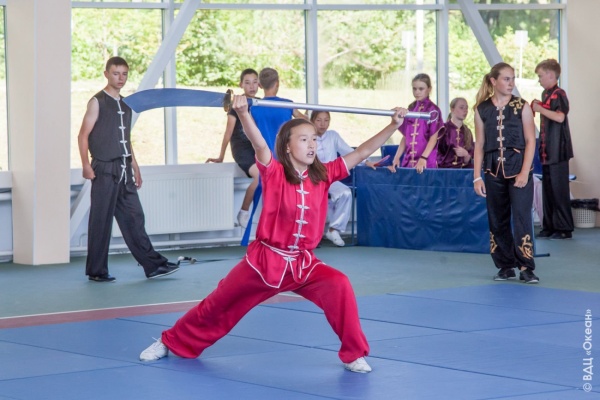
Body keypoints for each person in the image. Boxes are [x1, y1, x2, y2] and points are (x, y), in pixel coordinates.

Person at [140, 94, 408, 373]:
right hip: (264, 262)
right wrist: (243, 113)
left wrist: (393, 125)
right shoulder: (274, 171)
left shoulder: (323, 174)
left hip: (303, 264)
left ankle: (353, 354)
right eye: (304, 139)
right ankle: (169, 341)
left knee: (339, 284)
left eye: (314, 139)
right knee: (218, 304)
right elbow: (258, 144)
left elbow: (362, 152)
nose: (312, 144)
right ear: (288, 147)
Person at [77, 56, 179, 282]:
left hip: (124, 169)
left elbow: (125, 138)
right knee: (101, 221)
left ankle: (153, 266)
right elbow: (83, 135)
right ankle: (96, 271)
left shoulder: (126, 104)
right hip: (104, 169)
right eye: (116, 73)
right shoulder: (97, 102)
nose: (120, 78)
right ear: (106, 74)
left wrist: (136, 167)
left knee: (135, 217)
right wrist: (85, 164)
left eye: (124, 74)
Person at [473, 62, 539, 284]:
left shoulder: (522, 106)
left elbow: (530, 141)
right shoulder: (481, 109)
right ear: (494, 81)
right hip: (493, 171)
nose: (511, 83)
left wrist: (525, 172)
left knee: (521, 217)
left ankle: (526, 266)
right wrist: (477, 176)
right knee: (497, 218)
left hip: (519, 169)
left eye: (513, 79)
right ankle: (505, 265)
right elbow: (479, 145)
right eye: (506, 79)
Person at [207, 68, 261, 229]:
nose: (252, 86)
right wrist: (221, 156)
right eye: (247, 83)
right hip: (242, 148)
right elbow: (228, 132)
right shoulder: (236, 105)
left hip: (257, 146)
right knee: (260, 177)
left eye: (255, 82)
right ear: (241, 85)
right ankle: (243, 211)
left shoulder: (261, 103)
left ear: (259, 84)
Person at [531, 59, 574, 240]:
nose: (539, 80)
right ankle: (549, 226)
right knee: (547, 191)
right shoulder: (545, 94)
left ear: (550, 75)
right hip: (546, 150)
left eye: (541, 76)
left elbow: (559, 117)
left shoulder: (559, 94)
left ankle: (564, 228)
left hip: (558, 150)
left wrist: (539, 109)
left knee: (559, 190)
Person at [311, 111, 354, 247]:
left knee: (346, 193)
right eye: (319, 120)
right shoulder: (307, 137)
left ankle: (333, 230)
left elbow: (349, 152)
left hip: (331, 178)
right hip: (312, 178)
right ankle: (311, 234)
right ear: (312, 121)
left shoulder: (333, 136)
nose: (323, 124)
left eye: (326, 120)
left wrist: (367, 161)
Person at [388, 73, 444, 174]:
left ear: (429, 89)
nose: (417, 92)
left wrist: (423, 158)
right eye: (414, 89)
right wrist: (397, 157)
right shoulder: (411, 108)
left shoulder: (433, 110)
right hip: (409, 161)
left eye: (421, 89)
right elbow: (406, 136)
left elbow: (433, 138)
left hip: (426, 162)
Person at [250, 67, 307, 152]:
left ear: (259, 85)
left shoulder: (253, 108)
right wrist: (307, 116)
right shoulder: (288, 104)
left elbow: (250, 133)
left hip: (265, 156)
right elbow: (305, 121)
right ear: (277, 83)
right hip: (285, 154)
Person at [436, 97, 474, 168]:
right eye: (461, 107)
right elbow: (436, 151)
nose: (465, 111)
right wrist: (443, 163)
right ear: (452, 109)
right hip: (445, 170)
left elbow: (470, 156)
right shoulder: (443, 129)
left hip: (464, 172)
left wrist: (466, 155)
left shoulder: (468, 131)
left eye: (466, 108)